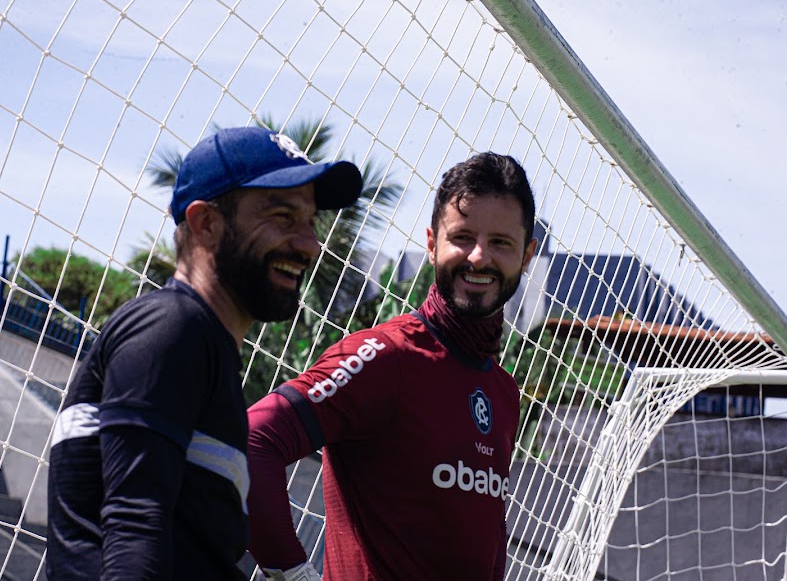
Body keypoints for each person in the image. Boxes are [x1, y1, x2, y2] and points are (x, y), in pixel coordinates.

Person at [45, 126, 363, 580]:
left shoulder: (203, 344)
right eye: (282, 216)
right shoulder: (172, 329)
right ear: (206, 224)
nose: (309, 243)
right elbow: (135, 526)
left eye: (310, 222)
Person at [246, 151, 538, 580]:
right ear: (432, 243)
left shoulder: (503, 392)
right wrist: (290, 573)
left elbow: (487, 531)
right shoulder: (387, 356)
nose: (478, 257)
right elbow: (254, 438)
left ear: (527, 254)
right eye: (462, 237)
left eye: (500, 242)